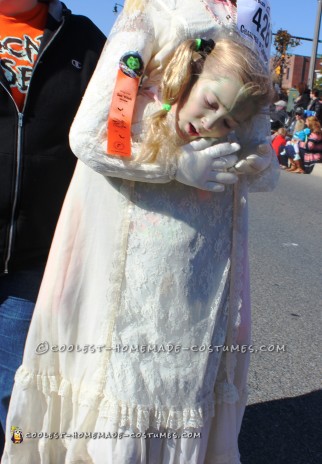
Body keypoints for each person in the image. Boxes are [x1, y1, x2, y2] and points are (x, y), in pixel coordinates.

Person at [2, 1, 278, 463]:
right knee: (124, 397)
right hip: (135, 269)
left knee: (180, 395)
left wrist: (256, 158)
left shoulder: (255, 18)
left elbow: (253, 128)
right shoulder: (156, 9)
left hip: (203, 272)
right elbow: (93, 132)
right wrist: (173, 161)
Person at [0, 0, 106, 455]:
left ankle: (16, 452)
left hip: (37, 254)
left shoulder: (85, 39)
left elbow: (120, 124)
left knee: (17, 389)